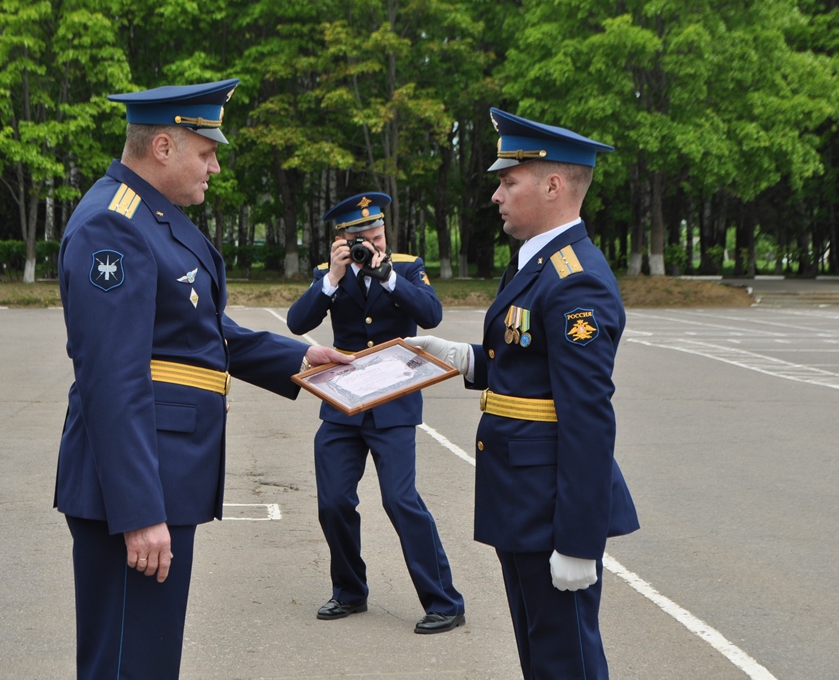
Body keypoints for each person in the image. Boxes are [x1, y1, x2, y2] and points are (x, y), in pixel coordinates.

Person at [54, 78, 350, 679]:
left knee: (149, 658)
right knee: (126, 663)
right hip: (136, 488)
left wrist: (296, 358)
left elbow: (202, 331)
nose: (215, 165)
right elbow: (112, 379)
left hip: (166, 472)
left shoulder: (150, 218)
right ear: (163, 147)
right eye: (207, 151)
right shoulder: (112, 226)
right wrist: (138, 511)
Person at [407, 109, 639, 678]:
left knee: (567, 660)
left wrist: (580, 541)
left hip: (550, 505)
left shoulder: (574, 278)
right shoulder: (536, 264)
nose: (496, 195)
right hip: (522, 494)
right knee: (541, 654)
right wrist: (464, 360)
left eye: (509, 182)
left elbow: (587, 418)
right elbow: (523, 361)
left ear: (553, 185)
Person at [286, 192, 466, 634]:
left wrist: (387, 277)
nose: (372, 245)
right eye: (361, 239)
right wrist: (331, 277)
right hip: (343, 405)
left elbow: (431, 314)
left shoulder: (406, 267)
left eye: (378, 235)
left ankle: (445, 601)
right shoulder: (331, 275)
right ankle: (349, 591)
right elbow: (297, 322)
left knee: (400, 500)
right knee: (333, 502)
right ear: (342, 240)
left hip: (394, 403)